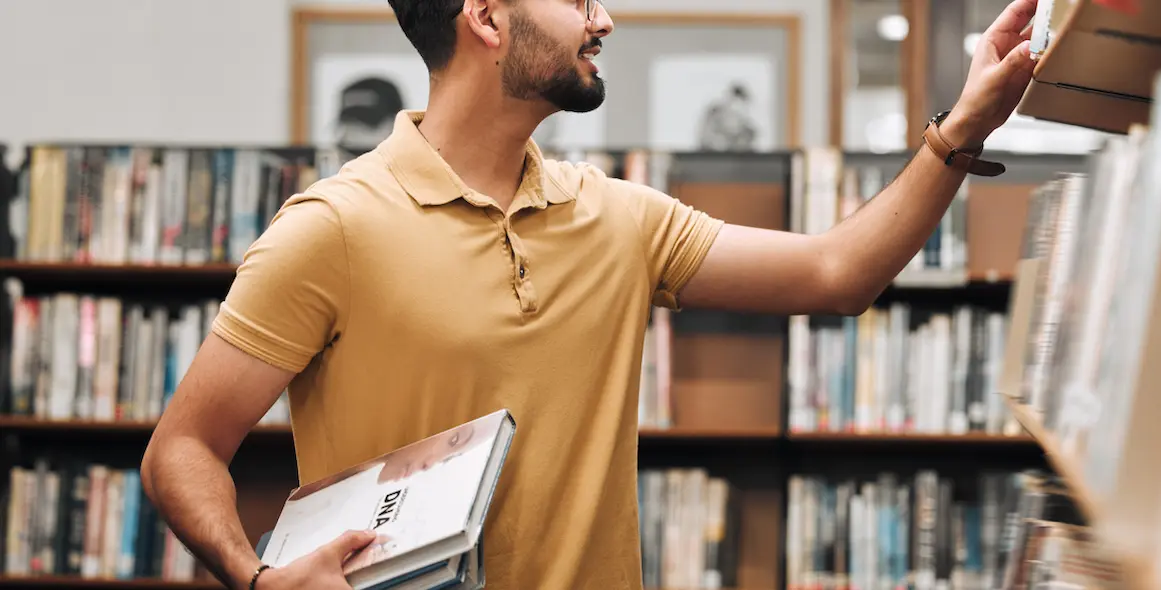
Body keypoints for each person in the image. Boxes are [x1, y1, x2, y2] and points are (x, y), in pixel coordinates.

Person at [138, 0, 1040, 588]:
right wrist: (257, 579)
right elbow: (182, 448)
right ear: (487, 18)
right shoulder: (332, 229)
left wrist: (959, 132)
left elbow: (838, 275)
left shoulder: (617, 217)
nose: (603, 18)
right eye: (577, 1)